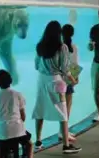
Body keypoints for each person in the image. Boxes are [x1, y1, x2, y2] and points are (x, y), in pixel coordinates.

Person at [32, 20, 81, 154]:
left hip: (41, 81)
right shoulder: (62, 47)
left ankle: (38, 142)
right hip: (57, 81)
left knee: (40, 110)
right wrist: (73, 80)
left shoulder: (40, 46)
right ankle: (66, 145)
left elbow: (36, 66)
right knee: (63, 113)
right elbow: (65, 69)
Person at [0, 69, 33, 158]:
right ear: (11, 81)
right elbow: (23, 116)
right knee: (29, 144)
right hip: (18, 129)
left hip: (2, 130)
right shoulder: (18, 95)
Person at [57, 24, 79, 141]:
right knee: (67, 107)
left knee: (62, 107)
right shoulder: (73, 47)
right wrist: (75, 79)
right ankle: (63, 132)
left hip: (59, 80)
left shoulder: (59, 47)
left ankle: (63, 131)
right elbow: (74, 64)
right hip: (69, 80)